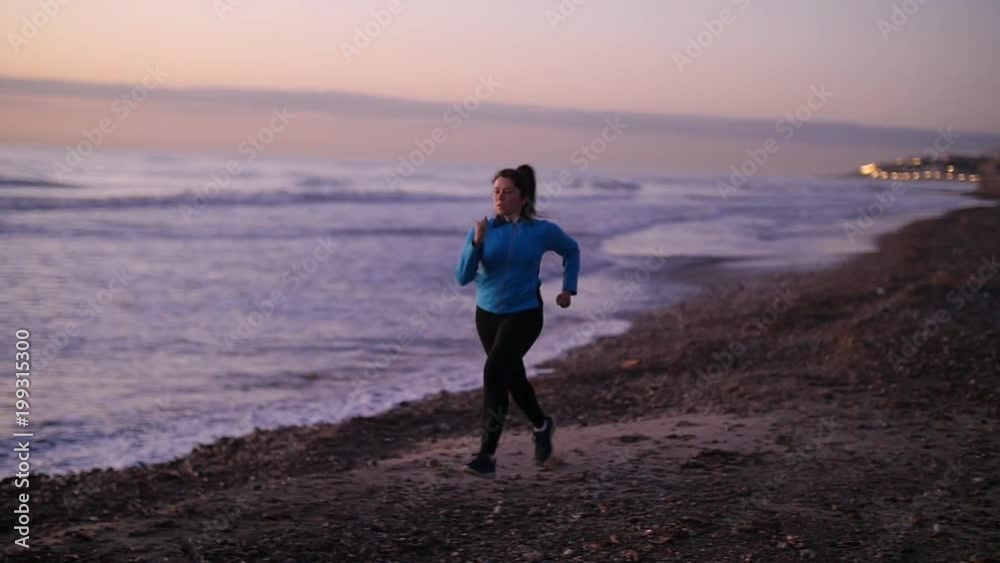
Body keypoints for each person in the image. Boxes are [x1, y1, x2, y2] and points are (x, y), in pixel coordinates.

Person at [454, 164, 581, 478]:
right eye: (496, 192)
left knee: (494, 371)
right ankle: (541, 424)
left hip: (525, 312)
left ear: (523, 198)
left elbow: (572, 250)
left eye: (507, 192)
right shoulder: (483, 229)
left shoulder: (542, 231)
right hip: (487, 315)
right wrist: (476, 243)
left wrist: (568, 288)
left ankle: (486, 456)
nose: (499, 197)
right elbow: (463, 277)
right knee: (512, 376)